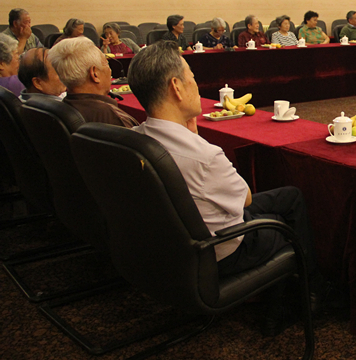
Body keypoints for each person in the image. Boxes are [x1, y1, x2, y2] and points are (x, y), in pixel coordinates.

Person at [128, 40, 323, 329]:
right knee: (280, 225)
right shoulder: (203, 156)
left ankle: (303, 293)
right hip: (220, 250)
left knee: (290, 197)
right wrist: (197, 140)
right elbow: (245, 199)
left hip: (169, 244)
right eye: (193, 78)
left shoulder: (134, 138)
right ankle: (303, 296)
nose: (197, 86)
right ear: (176, 88)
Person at [48, 37, 138, 128]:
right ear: (94, 74)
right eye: (106, 63)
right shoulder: (113, 118)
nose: (110, 70)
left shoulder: (58, 110)